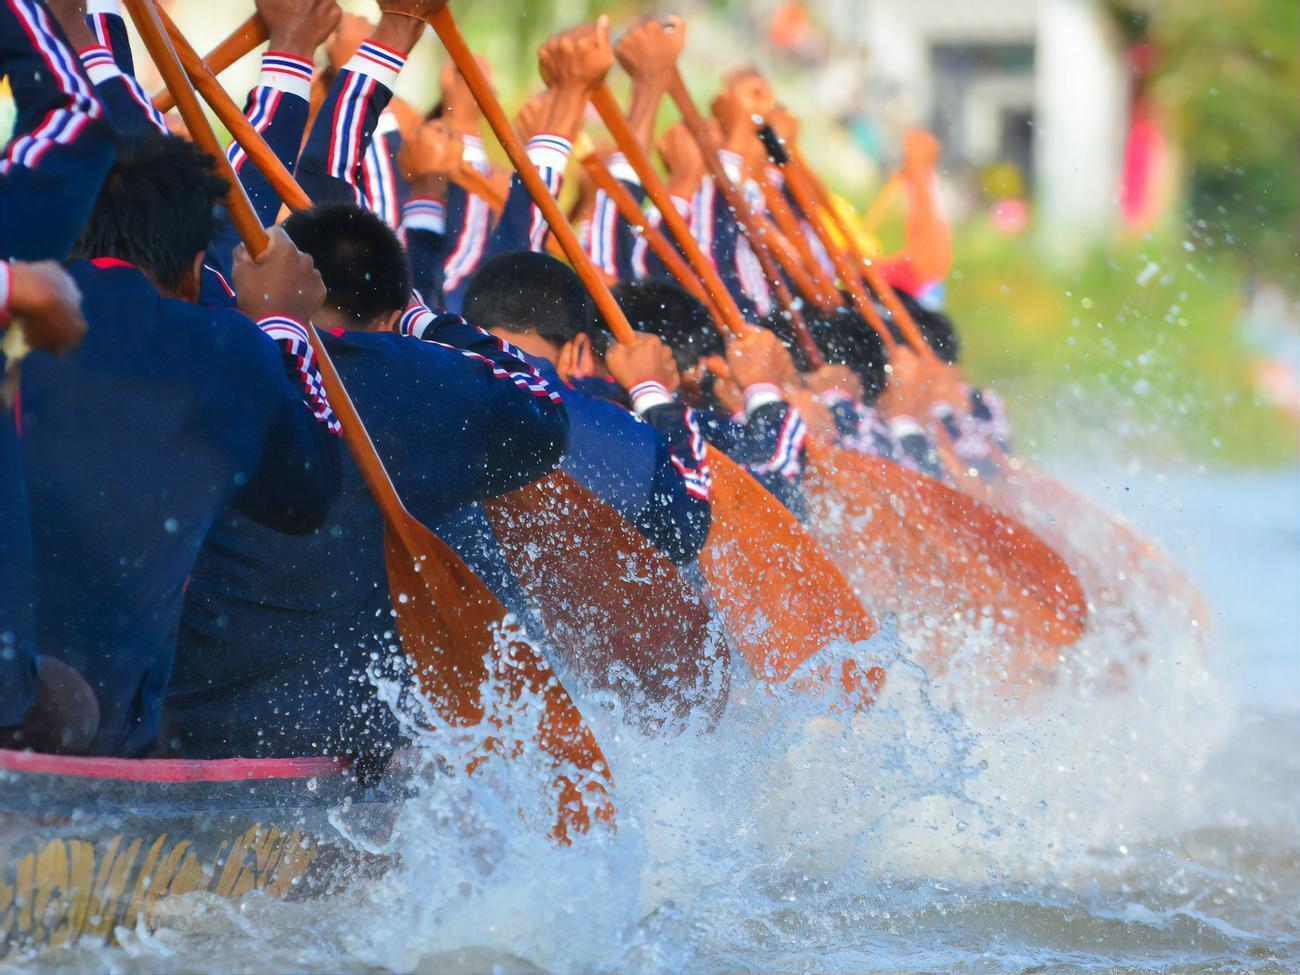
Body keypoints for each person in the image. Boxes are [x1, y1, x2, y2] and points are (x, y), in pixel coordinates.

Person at [168, 201, 569, 766]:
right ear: (386, 316)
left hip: (187, 723)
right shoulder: (424, 379)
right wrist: (421, 318)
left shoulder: (195, 354)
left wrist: (264, 313)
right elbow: (546, 409)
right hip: (348, 733)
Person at [19, 132, 342, 756]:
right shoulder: (232, 349)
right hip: (95, 734)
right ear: (196, 270)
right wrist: (281, 325)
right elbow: (307, 499)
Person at [463, 251, 712, 566]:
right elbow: (683, 533)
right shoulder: (578, 418)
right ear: (576, 350)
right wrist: (652, 393)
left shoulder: (418, 376)